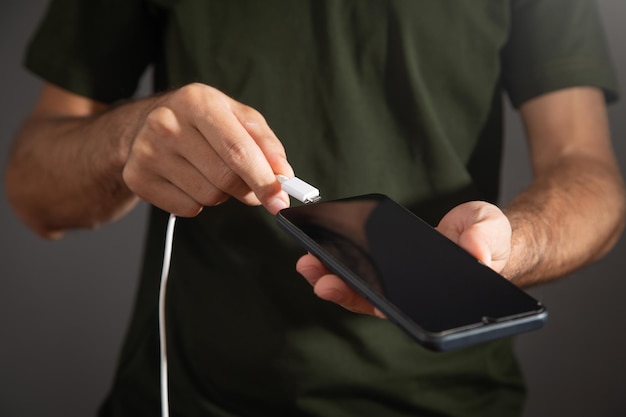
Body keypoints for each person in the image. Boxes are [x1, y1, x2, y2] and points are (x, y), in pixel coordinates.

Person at [4, 0, 625, 416]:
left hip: (450, 401)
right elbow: (35, 193)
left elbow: (588, 169)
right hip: (191, 396)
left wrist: (510, 244)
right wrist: (126, 137)